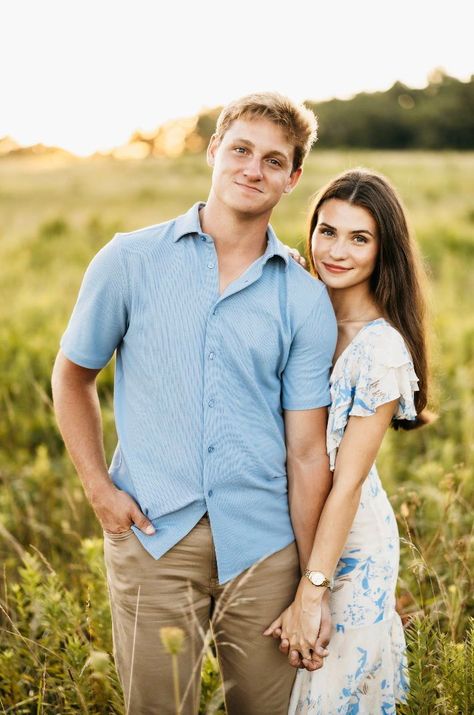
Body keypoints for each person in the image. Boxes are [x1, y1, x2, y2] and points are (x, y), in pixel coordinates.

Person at [51, 93, 338, 715]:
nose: (251, 169)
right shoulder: (130, 260)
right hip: (153, 536)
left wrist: (313, 585)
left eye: (272, 160)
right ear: (213, 151)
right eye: (240, 149)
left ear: (292, 178)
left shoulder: (304, 297)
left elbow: (308, 451)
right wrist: (99, 488)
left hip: (265, 550)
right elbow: (72, 376)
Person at [264, 168, 432, 714]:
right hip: (292, 521)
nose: (336, 251)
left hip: (351, 544)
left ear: (385, 251)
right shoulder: (297, 297)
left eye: (359, 238)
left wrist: (314, 589)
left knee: (332, 693)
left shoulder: (381, 350)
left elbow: (348, 484)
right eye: (327, 231)